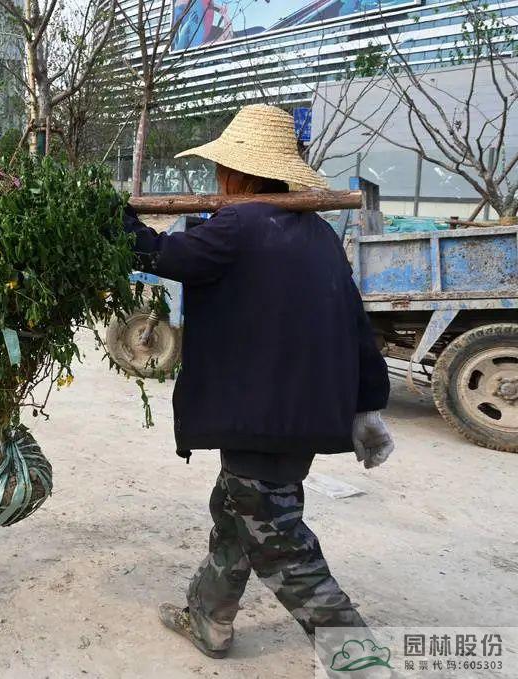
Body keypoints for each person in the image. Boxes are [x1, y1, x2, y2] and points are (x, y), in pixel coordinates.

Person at [120, 104, 395, 657]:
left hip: (261, 415)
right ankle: (208, 619)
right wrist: (369, 404)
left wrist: (111, 218)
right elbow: (355, 322)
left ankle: (358, 658)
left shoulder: (239, 226)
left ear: (239, 173)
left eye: (222, 169)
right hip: (302, 415)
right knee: (235, 515)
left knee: (279, 542)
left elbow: (158, 252)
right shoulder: (318, 233)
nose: (218, 178)